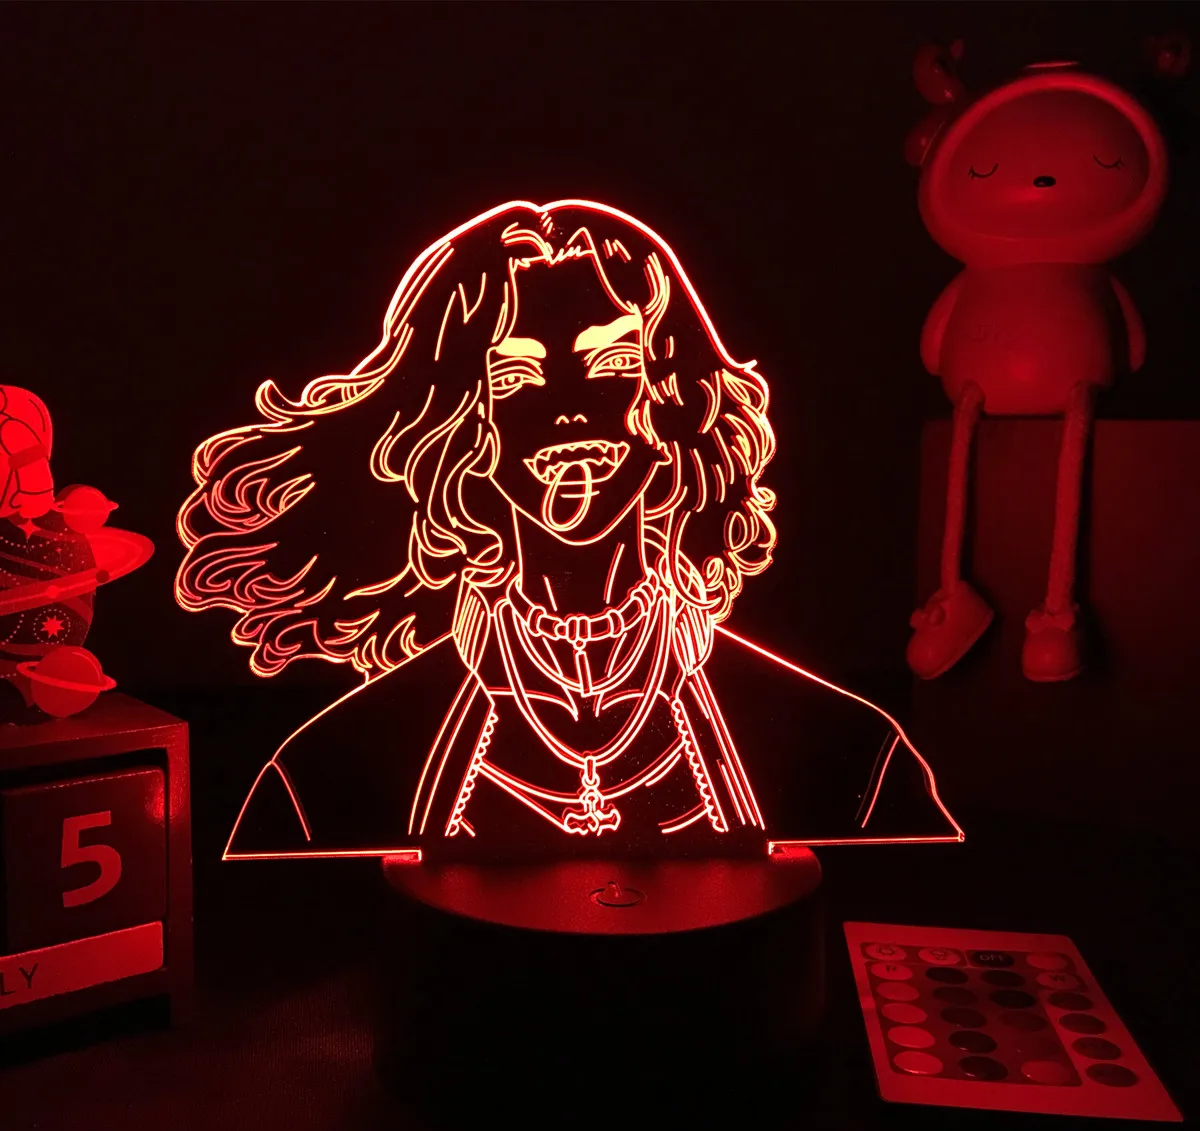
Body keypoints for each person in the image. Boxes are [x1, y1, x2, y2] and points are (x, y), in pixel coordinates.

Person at [177, 200, 960, 861]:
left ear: (675, 399)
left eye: (611, 365)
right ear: (459, 425)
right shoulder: (322, 779)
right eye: (516, 376)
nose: (570, 412)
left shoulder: (850, 757)